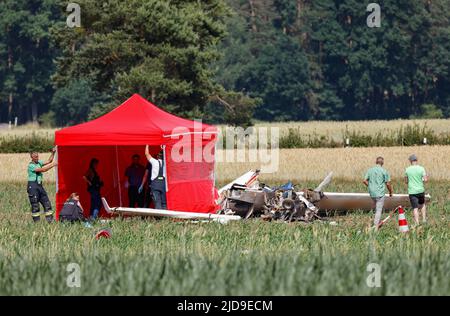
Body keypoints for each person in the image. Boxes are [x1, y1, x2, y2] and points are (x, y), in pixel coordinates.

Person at [27, 148, 57, 222]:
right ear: (32, 157)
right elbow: (43, 170)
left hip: (39, 186)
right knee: (35, 205)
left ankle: (50, 221)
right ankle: (37, 223)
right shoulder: (31, 166)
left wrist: (53, 153)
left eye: (38, 156)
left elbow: (49, 161)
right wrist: (53, 165)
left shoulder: (39, 163)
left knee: (46, 202)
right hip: (33, 187)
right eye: (35, 157)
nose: (37, 158)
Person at [363, 156, 393, 227]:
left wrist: (370, 186)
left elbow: (364, 181)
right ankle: (375, 226)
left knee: (376, 208)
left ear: (376, 162)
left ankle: (375, 221)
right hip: (380, 193)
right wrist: (390, 192)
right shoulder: (384, 171)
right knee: (379, 210)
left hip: (372, 193)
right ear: (382, 163)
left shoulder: (370, 170)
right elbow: (388, 183)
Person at [405, 154, 428, 225]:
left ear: (411, 161)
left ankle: (417, 222)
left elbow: (406, 181)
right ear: (416, 160)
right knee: (422, 205)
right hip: (420, 190)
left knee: (415, 207)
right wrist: (424, 178)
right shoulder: (421, 168)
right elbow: (425, 180)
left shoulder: (407, 169)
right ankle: (424, 219)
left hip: (412, 191)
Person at [144, 145, 166, 209]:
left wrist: (147, 144)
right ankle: (165, 218)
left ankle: (159, 218)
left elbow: (146, 154)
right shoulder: (166, 163)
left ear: (157, 156)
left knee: (157, 203)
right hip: (163, 186)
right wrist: (163, 148)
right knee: (164, 204)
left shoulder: (154, 162)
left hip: (155, 186)